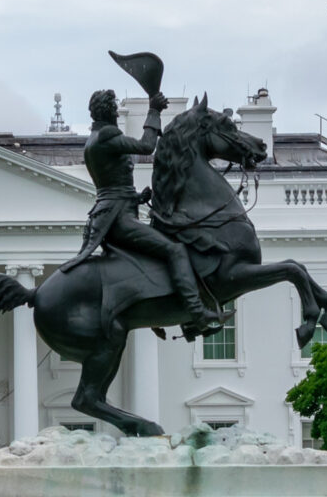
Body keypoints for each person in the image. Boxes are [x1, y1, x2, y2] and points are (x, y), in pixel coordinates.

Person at [60, 89, 224, 333]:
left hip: (113, 213)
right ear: (110, 112)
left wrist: (137, 197)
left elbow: (111, 187)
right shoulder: (106, 137)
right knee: (175, 250)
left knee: (159, 252)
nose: (117, 113)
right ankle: (196, 315)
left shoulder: (94, 139)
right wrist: (154, 111)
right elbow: (147, 146)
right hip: (119, 221)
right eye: (115, 109)